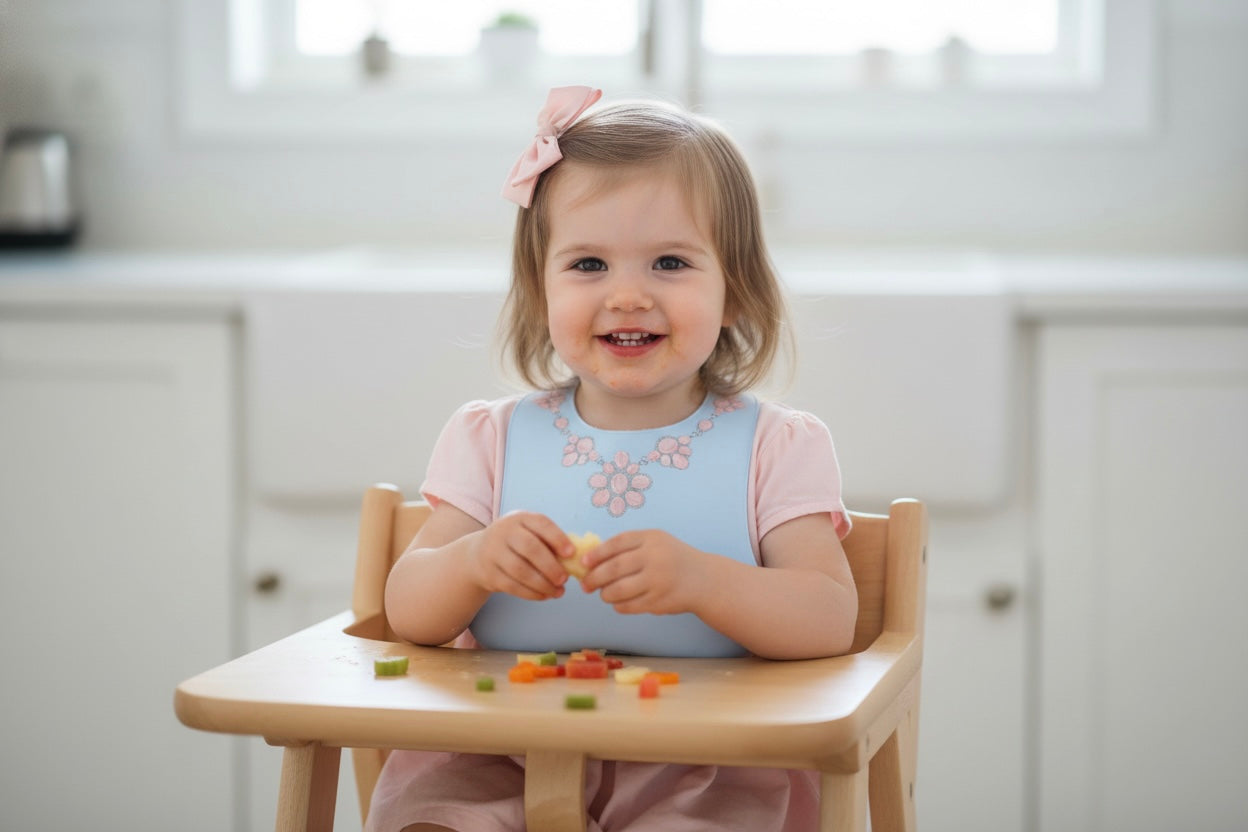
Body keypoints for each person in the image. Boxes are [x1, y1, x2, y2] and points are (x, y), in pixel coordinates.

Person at [367, 86, 858, 832]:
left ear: (734, 290)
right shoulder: (487, 439)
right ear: (540, 292)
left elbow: (829, 618)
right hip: (496, 751)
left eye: (669, 261)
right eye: (589, 264)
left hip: (705, 762)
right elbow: (407, 611)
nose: (627, 295)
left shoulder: (776, 447)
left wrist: (702, 579)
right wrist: (471, 562)